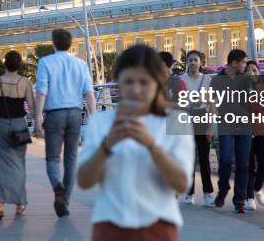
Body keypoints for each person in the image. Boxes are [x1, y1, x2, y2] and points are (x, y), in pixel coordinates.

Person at [77, 45, 195, 241]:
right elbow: (84, 181)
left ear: (157, 83)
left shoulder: (175, 121)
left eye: (144, 82)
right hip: (109, 225)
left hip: (158, 226)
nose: (135, 89)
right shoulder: (101, 122)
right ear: (118, 83)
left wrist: (152, 146)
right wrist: (106, 146)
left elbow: (181, 184)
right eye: (128, 81)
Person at [34, 29, 97, 217]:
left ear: (53, 43)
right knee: (71, 159)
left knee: (52, 158)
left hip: (54, 114)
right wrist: (93, 119)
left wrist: (38, 118)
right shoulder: (80, 64)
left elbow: (41, 92)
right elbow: (89, 94)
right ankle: (65, 201)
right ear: (70, 44)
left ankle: (57, 186)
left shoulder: (45, 62)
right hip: (76, 114)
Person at [0, 50, 35, 219]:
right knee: (19, 165)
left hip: (0, 126)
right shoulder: (24, 82)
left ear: (4, 64)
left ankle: (0, 205)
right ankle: (19, 204)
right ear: (19, 65)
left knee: (0, 166)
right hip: (19, 125)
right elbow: (32, 109)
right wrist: (39, 125)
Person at [211, 49, 252, 213]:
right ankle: (223, 189)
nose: (245, 65)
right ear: (234, 63)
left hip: (244, 127)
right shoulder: (217, 80)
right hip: (225, 125)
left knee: (243, 164)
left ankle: (239, 200)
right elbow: (212, 104)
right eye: (243, 62)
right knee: (226, 159)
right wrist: (211, 126)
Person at [179, 50, 215, 206]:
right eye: (190, 60)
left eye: (196, 60)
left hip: (202, 117)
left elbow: (212, 104)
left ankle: (208, 193)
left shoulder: (207, 80)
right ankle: (189, 193)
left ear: (201, 63)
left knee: (204, 157)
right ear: (187, 62)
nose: (193, 63)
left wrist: (211, 126)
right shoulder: (181, 79)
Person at [244, 60, 264, 211]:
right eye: (248, 70)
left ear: (259, 73)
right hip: (246, 132)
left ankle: (257, 188)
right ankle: (249, 197)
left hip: (262, 131)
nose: (251, 72)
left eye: (254, 70)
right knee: (249, 166)